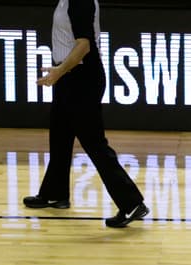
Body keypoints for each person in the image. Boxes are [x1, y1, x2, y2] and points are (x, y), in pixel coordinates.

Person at [23, 0, 149, 228]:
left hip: (81, 77)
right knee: (60, 135)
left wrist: (58, 72)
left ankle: (131, 203)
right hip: (68, 76)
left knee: (95, 144)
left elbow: (84, 45)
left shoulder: (80, 1)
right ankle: (55, 193)